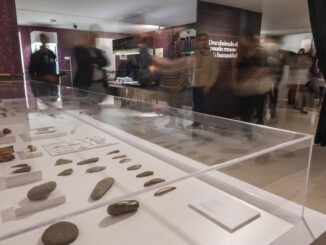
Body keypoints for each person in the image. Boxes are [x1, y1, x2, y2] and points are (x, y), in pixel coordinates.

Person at [232, 34, 271, 124]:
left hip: (255, 85)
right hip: (243, 86)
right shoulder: (242, 53)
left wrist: (250, 80)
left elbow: (263, 69)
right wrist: (235, 82)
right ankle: (248, 124)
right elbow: (235, 68)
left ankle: (257, 121)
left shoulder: (259, 53)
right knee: (245, 109)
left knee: (255, 105)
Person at [189, 33, 219, 127]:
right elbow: (189, 70)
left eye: (204, 40)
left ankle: (206, 123)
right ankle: (196, 122)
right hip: (195, 85)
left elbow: (215, 71)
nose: (202, 42)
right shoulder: (194, 55)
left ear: (207, 41)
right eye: (200, 40)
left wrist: (209, 84)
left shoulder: (212, 55)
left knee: (206, 106)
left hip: (205, 85)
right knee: (195, 106)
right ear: (197, 42)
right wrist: (191, 81)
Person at [73, 27, 110, 94]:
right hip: (85, 84)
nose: (93, 40)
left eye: (95, 38)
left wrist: (96, 63)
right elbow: (83, 63)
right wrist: (98, 61)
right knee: (85, 103)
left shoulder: (98, 51)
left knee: (100, 103)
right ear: (86, 38)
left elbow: (106, 62)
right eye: (91, 37)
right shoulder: (79, 49)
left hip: (100, 83)